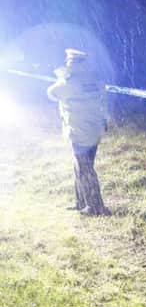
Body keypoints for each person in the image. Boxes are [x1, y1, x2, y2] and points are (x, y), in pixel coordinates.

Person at [47, 48, 109, 216]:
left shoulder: (69, 82)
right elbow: (102, 100)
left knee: (84, 168)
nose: (67, 63)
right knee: (81, 166)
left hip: (79, 131)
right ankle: (81, 201)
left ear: (73, 62)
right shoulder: (95, 80)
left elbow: (52, 93)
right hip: (94, 129)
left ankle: (95, 206)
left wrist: (60, 77)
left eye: (69, 61)